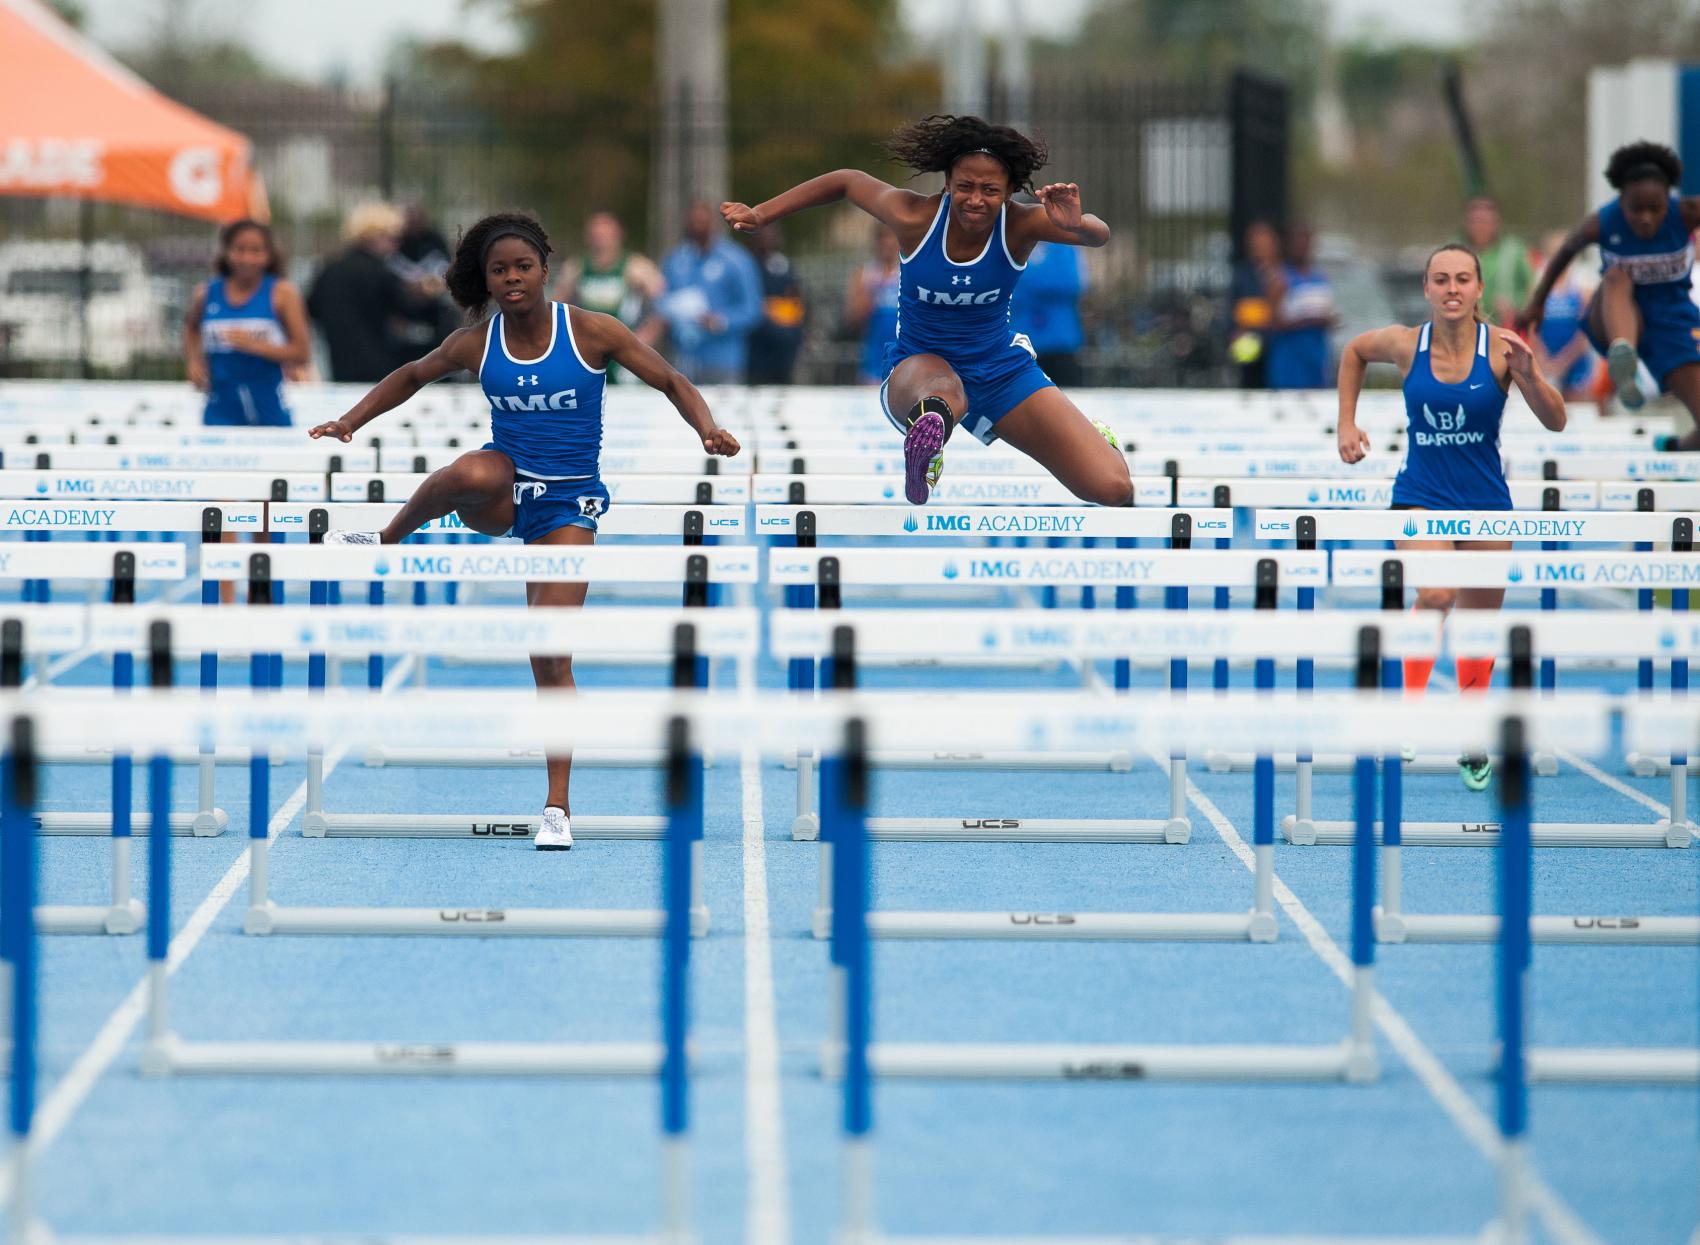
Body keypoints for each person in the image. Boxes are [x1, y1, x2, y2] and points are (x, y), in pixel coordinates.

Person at [306, 212, 740, 850]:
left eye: (522, 268)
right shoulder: (479, 341)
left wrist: (706, 428)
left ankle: (557, 807)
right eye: (498, 271)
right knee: (467, 470)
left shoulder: (592, 331)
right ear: (486, 280)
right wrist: (350, 420)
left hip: (568, 508)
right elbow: (410, 376)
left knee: (550, 654)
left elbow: (672, 379)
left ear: (544, 269)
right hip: (505, 491)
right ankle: (386, 539)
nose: (511, 279)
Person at [722, 113, 1126, 507]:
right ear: (947, 182)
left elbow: (1099, 235)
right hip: (920, 366)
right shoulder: (915, 217)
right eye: (965, 186)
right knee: (944, 395)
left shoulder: (1019, 224)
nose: (975, 200)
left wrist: (1077, 225)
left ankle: (1094, 439)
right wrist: (762, 213)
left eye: (989, 190)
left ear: (1007, 192)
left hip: (1000, 368)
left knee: (1113, 489)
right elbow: (845, 181)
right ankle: (928, 445)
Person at [1337, 243, 1566, 789]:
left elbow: (1557, 421)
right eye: (1441, 279)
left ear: (1479, 288)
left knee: (1479, 625)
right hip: (1421, 495)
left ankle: (1471, 732)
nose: (1452, 288)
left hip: (1486, 501)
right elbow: (1352, 352)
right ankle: (1408, 713)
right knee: (1437, 595)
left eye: (1463, 279)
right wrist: (1346, 424)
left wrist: (1531, 377)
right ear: (1427, 289)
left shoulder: (1505, 350)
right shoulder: (1405, 343)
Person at [1523, 141, 1700, 441]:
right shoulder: (1602, 222)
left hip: (1670, 322)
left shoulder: (1686, 211)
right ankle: (1624, 359)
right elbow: (1563, 254)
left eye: (1655, 209)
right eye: (1636, 209)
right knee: (1616, 278)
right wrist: (1538, 302)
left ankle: (1673, 451)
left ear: (1668, 199)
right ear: (1621, 201)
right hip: (1613, 316)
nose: (1645, 218)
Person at [184, 218, 309, 426]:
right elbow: (191, 328)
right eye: (239, 250)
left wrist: (254, 345)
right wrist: (194, 362)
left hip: (270, 414)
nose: (247, 259)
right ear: (226, 252)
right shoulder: (205, 293)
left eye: (256, 251)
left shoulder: (283, 294)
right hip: (219, 415)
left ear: (269, 255)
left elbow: (301, 353)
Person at [306, 202, 436, 382]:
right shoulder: (380, 273)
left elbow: (311, 309)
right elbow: (410, 310)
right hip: (378, 367)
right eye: (394, 237)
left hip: (338, 364)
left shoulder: (329, 269)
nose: (397, 245)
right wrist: (431, 295)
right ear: (374, 236)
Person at [553, 210, 666, 382]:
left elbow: (664, 306)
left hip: (622, 350)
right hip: (588, 350)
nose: (601, 240)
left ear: (618, 235)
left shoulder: (636, 267)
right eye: (596, 234)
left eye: (606, 234)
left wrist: (643, 339)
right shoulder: (576, 268)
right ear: (588, 237)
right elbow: (553, 308)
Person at [659, 199, 763, 384]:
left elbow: (753, 309)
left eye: (702, 221)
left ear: (713, 223)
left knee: (722, 411)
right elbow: (662, 299)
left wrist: (721, 321)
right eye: (693, 222)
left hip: (722, 359)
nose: (697, 226)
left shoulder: (736, 260)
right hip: (682, 359)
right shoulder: (675, 259)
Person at [1530, 230, 1601, 407]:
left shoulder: (1583, 283)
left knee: (1577, 410)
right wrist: (1543, 358)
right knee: (1549, 409)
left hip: (1576, 361)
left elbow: (1587, 331)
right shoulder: (1537, 283)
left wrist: (1563, 362)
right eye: (1553, 255)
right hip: (1547, 359)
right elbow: (1531, 328)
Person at [1264, 223, 1336, 390]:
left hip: (1317, 354)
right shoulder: (1280, 279)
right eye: (1298, 243)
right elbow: (1272, 323)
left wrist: (1327, 321)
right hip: (1291, 358)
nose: (1303, 247)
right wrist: (1308, 320)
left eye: (1306, 242)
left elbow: (1328, 313)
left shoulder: (1321, 278)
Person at [1010, 238, 1087, 386]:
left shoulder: (1064, 245)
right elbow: (1002, 288)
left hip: (1060, 347)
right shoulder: (1009, 243)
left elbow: (1071, 283)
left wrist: (1024, 278)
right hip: (1019, 349)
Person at [745, 224, 807, 384]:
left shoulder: (783, 265)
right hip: (758, 348)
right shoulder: (747, 266)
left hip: (785, 345)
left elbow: (797, 298)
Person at [1227, 220, 1282, 389]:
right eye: (1256, 243)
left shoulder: (1284, 272)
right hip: (1251, 343)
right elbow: (1233, 308)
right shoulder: (1242, 274)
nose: (1261, 247)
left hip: (1281, 344)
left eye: (1265, 242)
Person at [1463, 195, 1534, 326]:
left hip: (1506, 328)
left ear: (1496, 223)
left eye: (1484, 221)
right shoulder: (1457, 251)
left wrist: (1515, 305)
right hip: (1466, 329)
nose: (1480, 226)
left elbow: (1532, 287)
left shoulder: (1514, 250)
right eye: (1475, 221)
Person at [845, 228, 901, 384]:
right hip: (874, 354)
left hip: (903, 352)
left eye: (892, 241)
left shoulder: (909, 272)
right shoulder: (865, 274)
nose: (888, 246)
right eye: (884, 241)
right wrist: (872, 290)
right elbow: (852, 318)